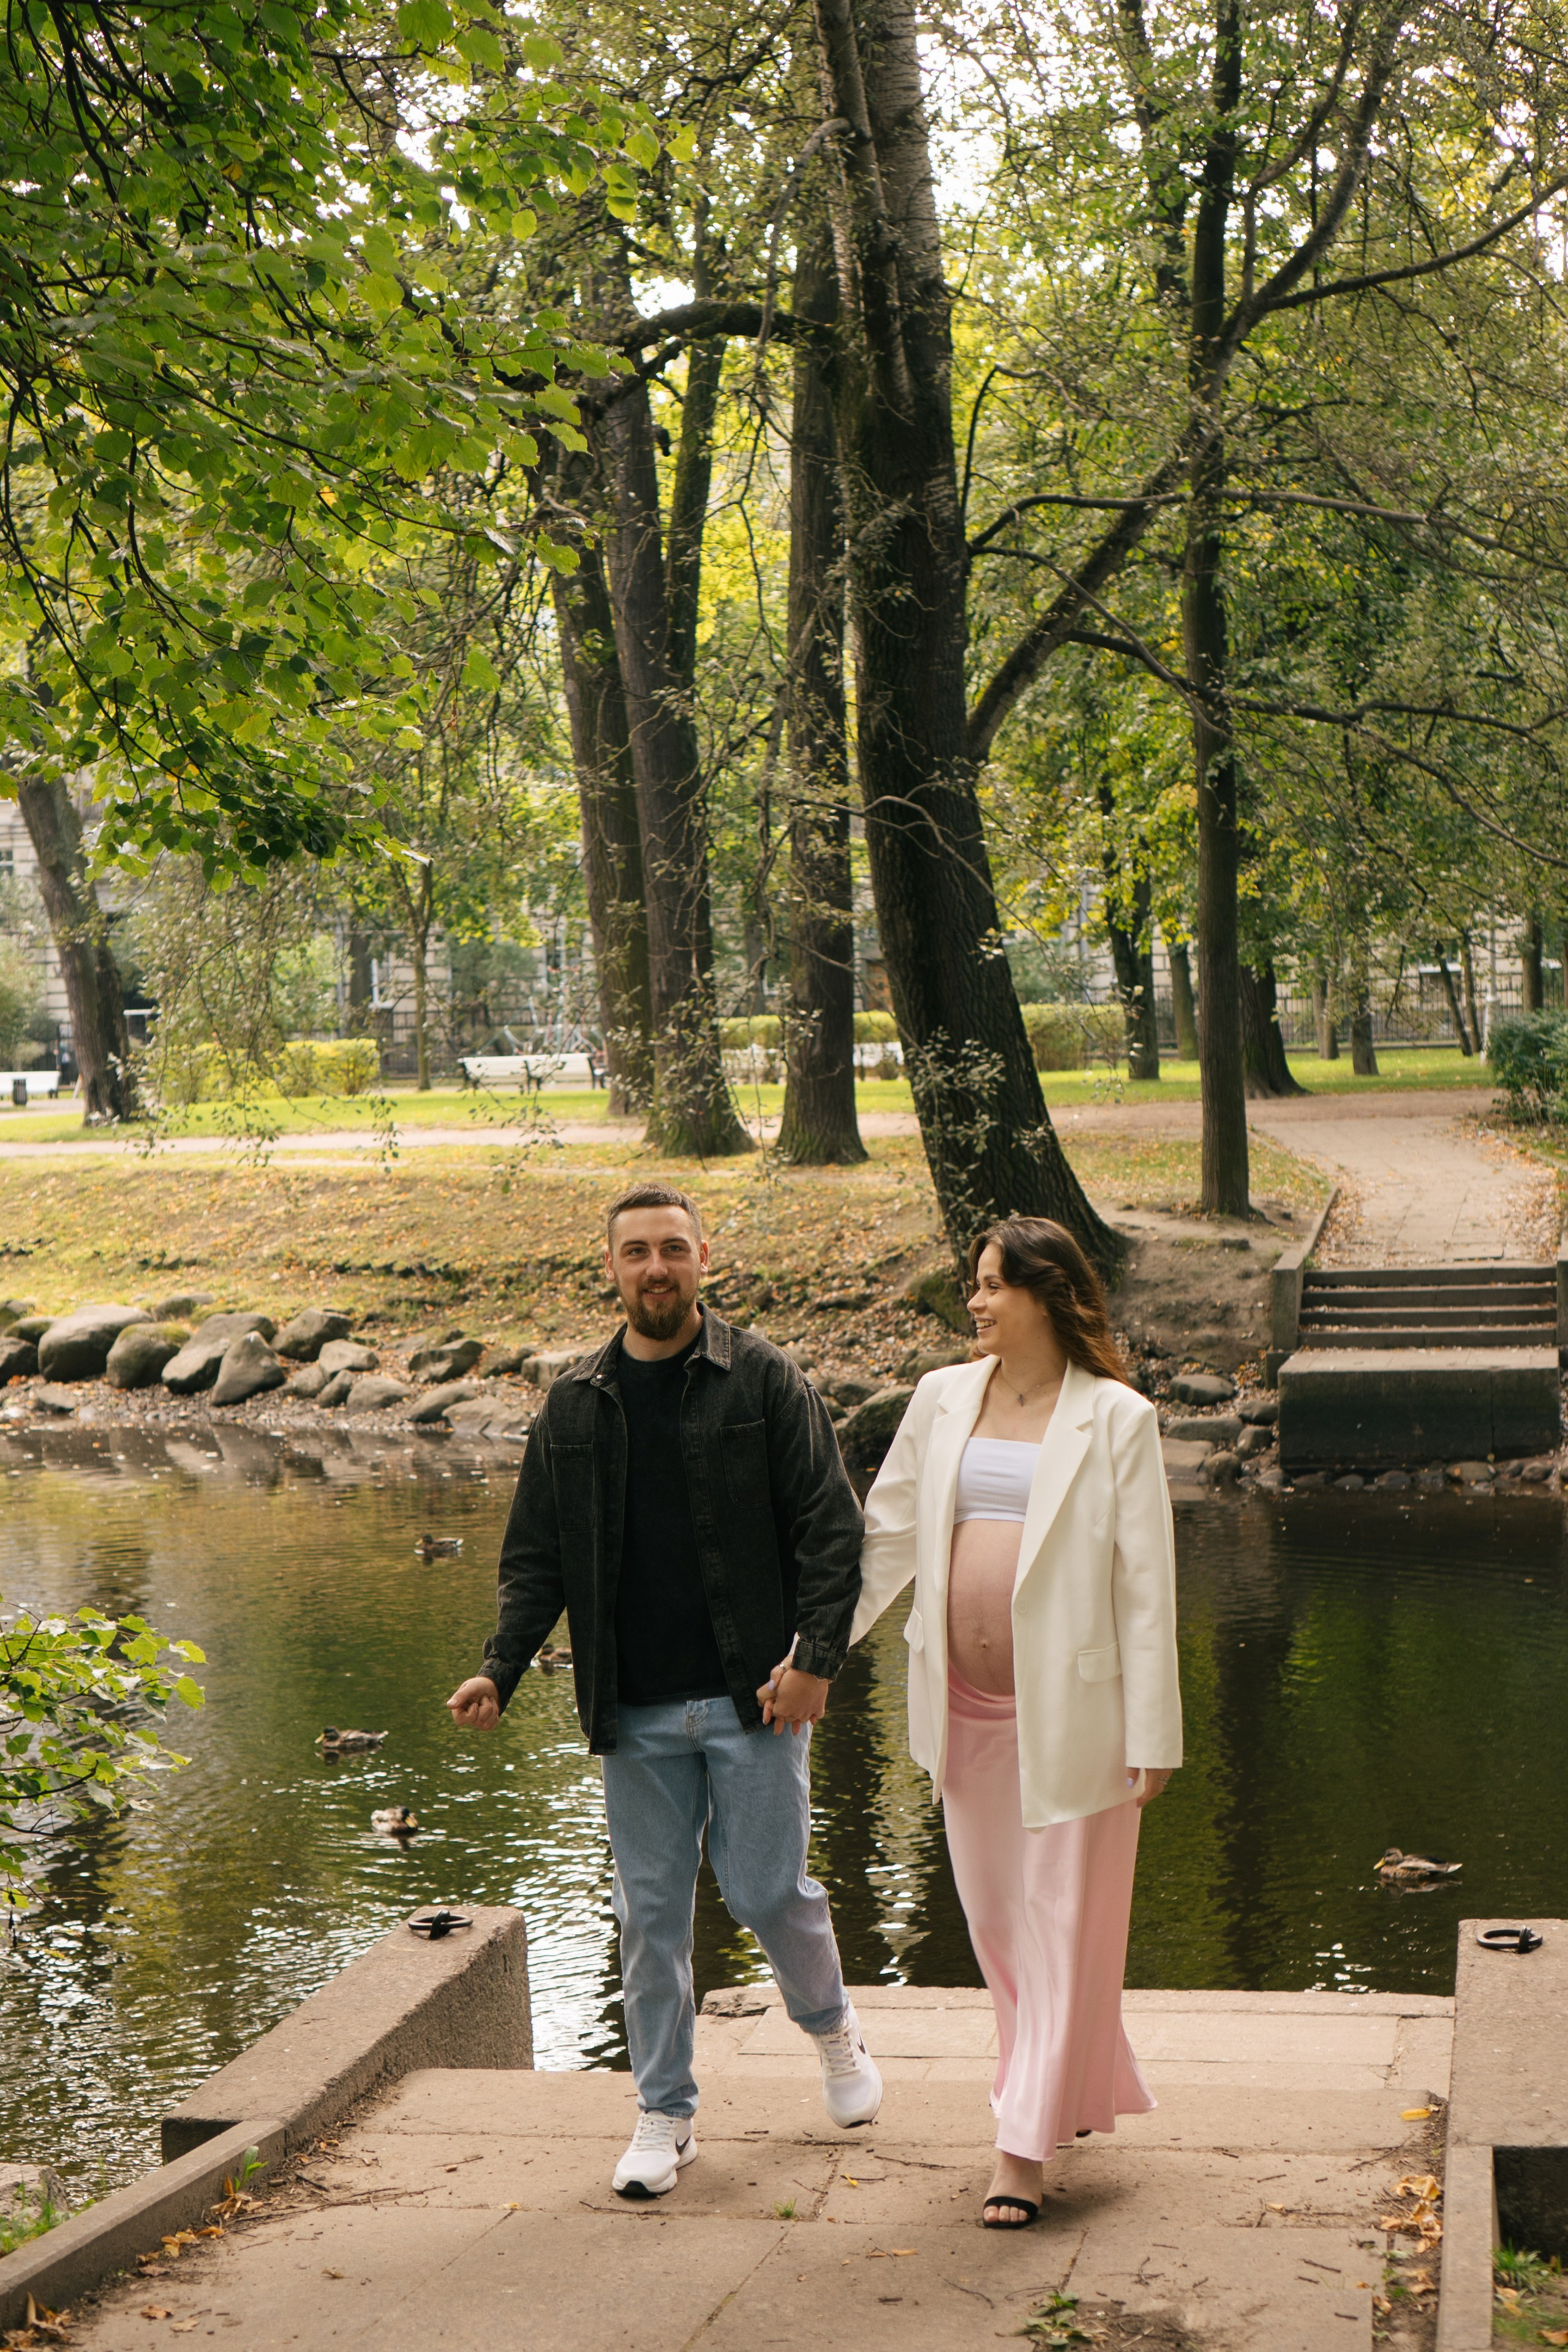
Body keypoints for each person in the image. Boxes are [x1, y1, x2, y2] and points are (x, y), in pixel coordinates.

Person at [447, 1178, 881, 2200]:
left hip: (755, 1699)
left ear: (701, 1258)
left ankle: (832, 2032)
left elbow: (831, 1529)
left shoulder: (764, 1379)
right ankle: (664, 2113)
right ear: (611, 1268)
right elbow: (536, 1560)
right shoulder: (573, 1405)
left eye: (673, 1249)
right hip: (634, 1711)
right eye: (637, 1251)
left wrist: (816, 1658)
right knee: (649, 1918)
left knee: (770, 1891)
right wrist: (498, 1667)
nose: (656, 1267)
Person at [769, 1216, 1181, 2230]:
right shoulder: (942, 1399)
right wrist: (815, 1655)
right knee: (1002, 1927)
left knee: (1054, 1923)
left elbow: (1147, 1591)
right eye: (976, 1284)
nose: (978, 1302)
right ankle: (1074, 2084)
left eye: (995, 1285)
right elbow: (888, 1541)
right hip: (964, 1713)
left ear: (1048, 1293)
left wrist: (1154, 1735)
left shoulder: (1117, 1417)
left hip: (1079, 1718)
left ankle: (1021, 2148)